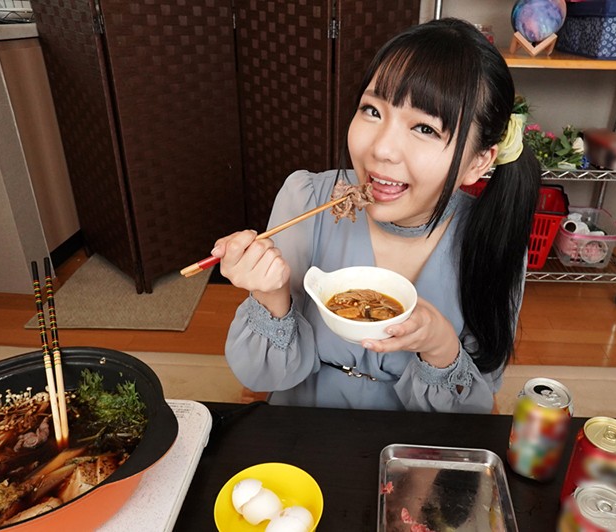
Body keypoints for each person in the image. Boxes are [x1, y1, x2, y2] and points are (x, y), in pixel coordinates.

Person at [214, 18, 540, 413]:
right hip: (302, 423)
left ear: (478, 161)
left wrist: (439, 345)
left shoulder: (492, 241)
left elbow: (470, 413)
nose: (381, 149)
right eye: (372, 110)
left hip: (411, 438)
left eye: (425, 128)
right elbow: (262, 378)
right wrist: (269, 296)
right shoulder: (306, 200)